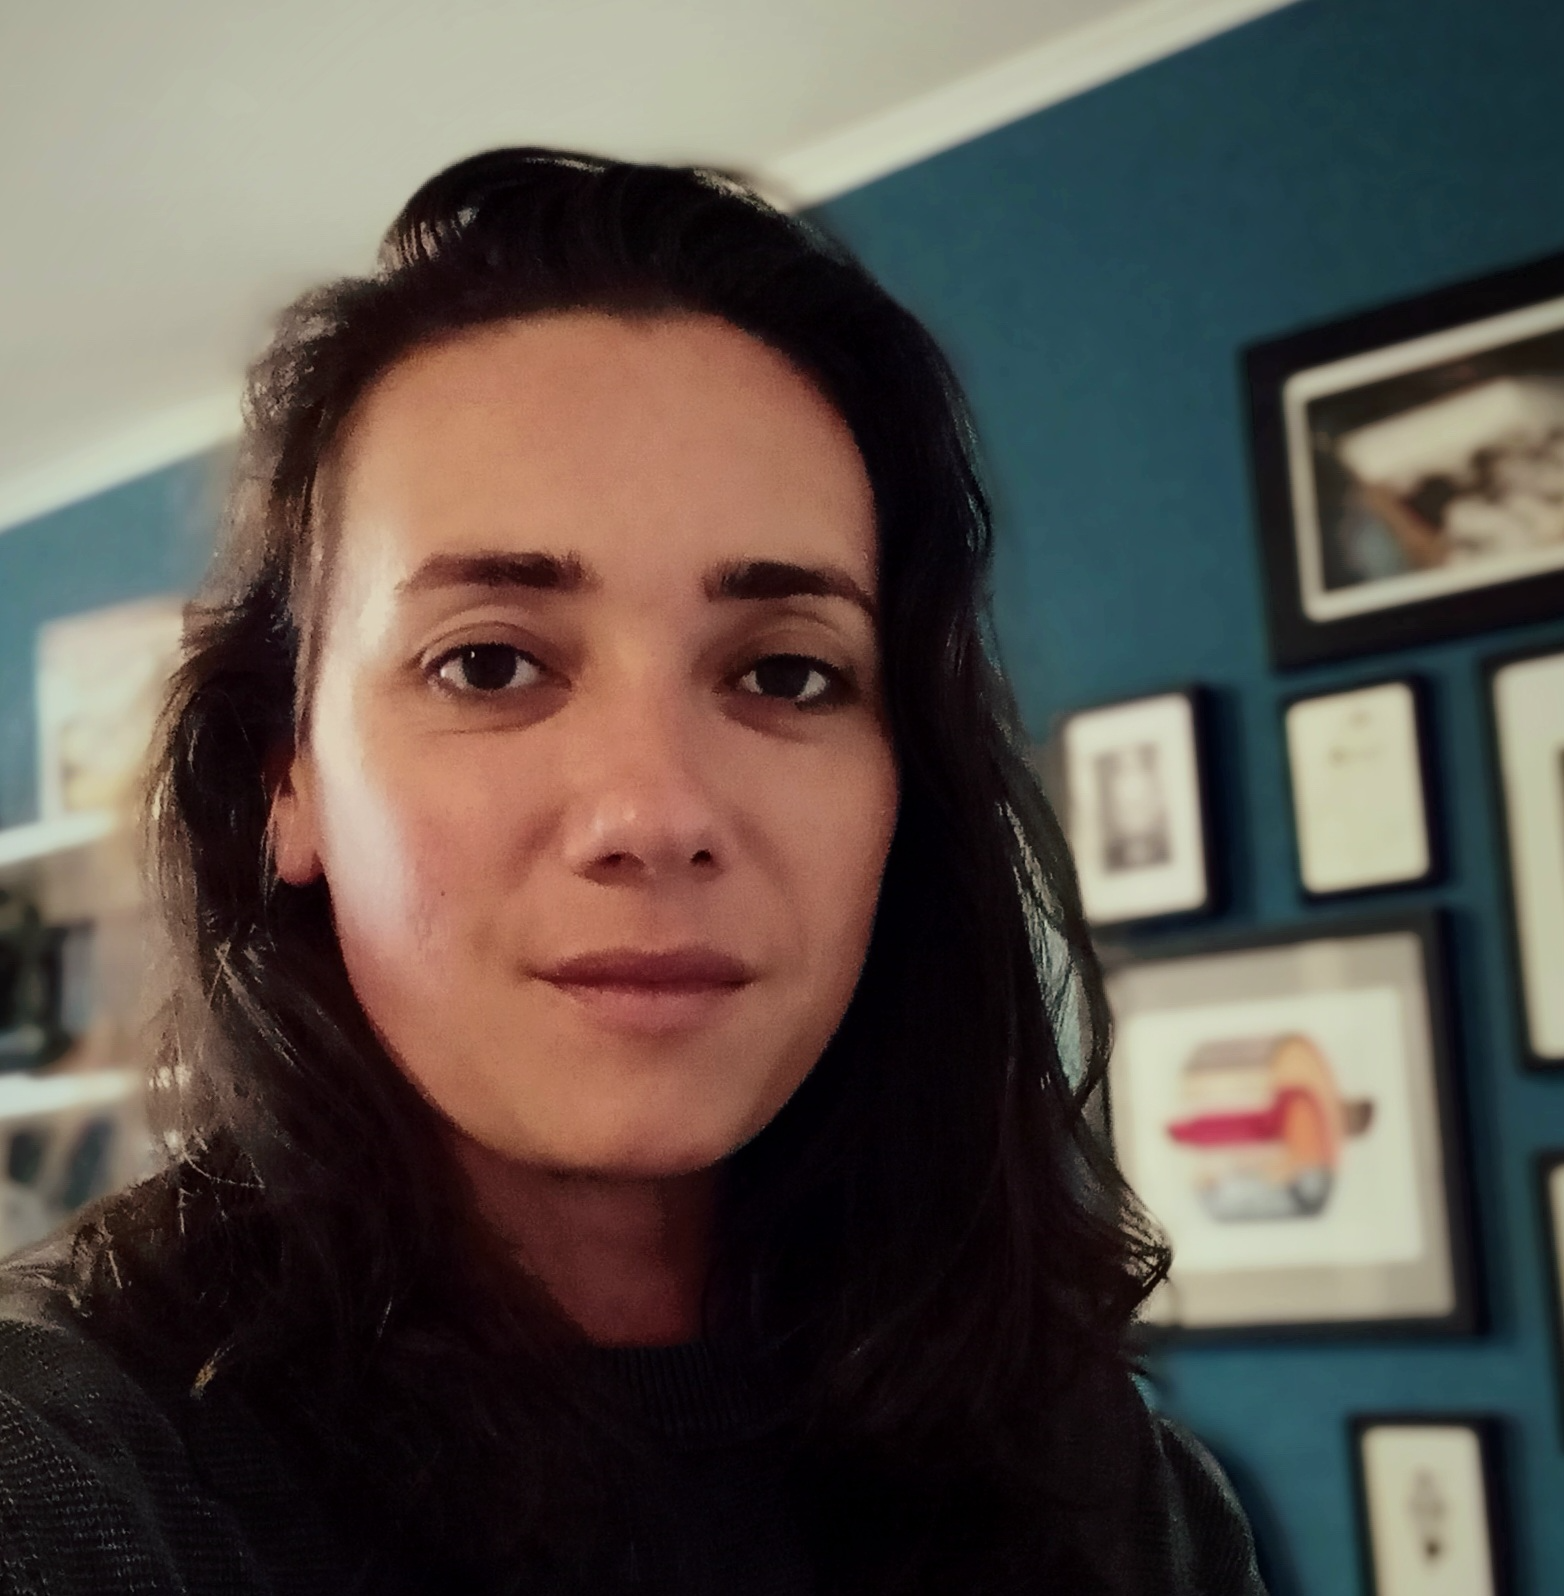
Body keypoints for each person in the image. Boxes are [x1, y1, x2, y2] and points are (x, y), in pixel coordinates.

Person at [0, 148, 1266, 1595]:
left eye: (785, 674)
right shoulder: (54, 1485)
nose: (656, 813)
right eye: (490, 663)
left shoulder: (1118, 1494)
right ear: (286, 778)